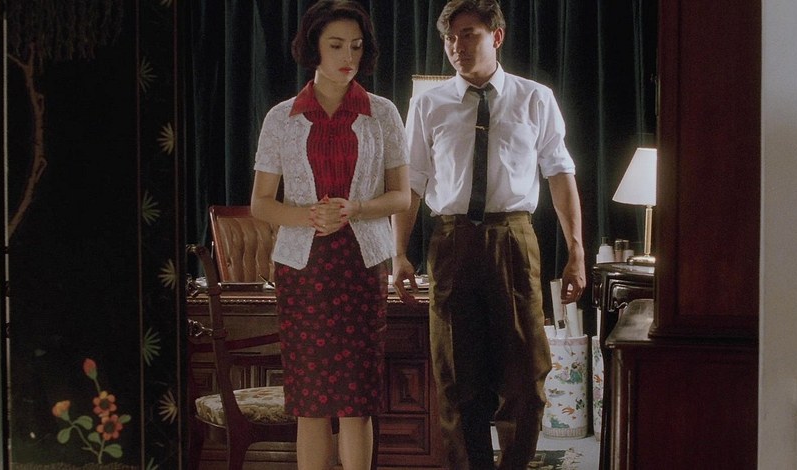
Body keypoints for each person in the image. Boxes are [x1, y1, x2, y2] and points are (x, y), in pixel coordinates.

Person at [391, 1, 586, 468]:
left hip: (513, 239)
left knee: (525, 376)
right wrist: (398, 253)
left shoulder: (535, 98)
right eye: (450, 37)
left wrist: (576, 251)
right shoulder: (428, 104)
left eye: (469, 34)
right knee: (458, 378)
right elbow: (411, 183)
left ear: (496, 36)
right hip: (451, 242)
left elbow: (560, 175)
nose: (457, 46)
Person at [250, 1, 410, 468]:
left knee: (357, 401)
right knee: (311, 403)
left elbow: (402, 196)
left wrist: (356, 208)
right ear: (313, 48)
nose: (348, 57)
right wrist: (308, 216)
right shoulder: (281, 117)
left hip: (362, 266)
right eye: (336, 45)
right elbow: (261, 203)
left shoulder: (383, 114)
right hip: (304, 271)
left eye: (356, 47)